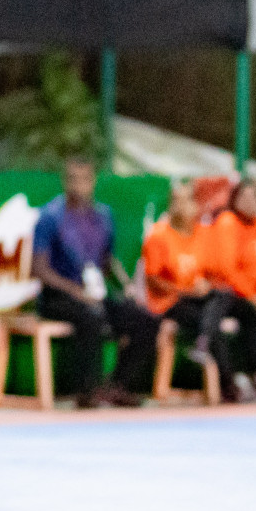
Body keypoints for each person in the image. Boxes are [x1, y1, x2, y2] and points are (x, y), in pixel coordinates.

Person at [32, 157, 160, 408]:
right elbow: (38, 269)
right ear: (64, 181)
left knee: (145, 319)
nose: (76, 185)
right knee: (90, 316)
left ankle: (118, 386)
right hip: (57, 297)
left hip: (94, 293)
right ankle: (86, 392)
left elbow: (107, 260)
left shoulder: (104, 216)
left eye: (83, 180)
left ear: (92, 182)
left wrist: (126, 285)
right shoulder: (49, 217)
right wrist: (75, 291)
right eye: (71, 179)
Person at [142, 181, 235, 390]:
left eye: (185, 201)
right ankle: (227, 383)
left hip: (197, 299)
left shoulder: (203, 234)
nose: (179, 206)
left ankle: (203, 342)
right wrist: (188, 291)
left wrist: (205, 284)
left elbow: (214, 273)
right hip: (170, 303)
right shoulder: (159, 236)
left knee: (222, 295)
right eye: (175, 201)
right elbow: (154, 281)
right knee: (210, 323)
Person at [202, 180, 256, 401]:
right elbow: (228, 269)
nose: (250, 202)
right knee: (253, 315)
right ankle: (236, 380)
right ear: (235, 200)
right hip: (230, 295)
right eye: (244, 197)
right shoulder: (227, 222)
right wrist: (253, 297)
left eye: (254, 197)